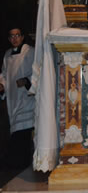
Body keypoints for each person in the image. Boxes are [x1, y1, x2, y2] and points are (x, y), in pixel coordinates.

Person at [0, 26, 35, 170]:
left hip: (27, 99)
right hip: (13, 99)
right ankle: (19, 164)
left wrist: (27, 81)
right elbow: (3, 74)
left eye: (17, 35)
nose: (14, 39)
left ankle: (19, 163)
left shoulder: (30, 52)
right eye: (11, 36)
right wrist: (2, 85)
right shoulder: (7, 55)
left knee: (23, 134)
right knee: (17, 131)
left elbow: (38, 71)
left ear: (22, 37)